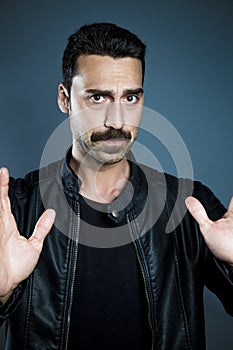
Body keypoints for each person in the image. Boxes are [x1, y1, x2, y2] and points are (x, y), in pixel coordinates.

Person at [0, 22, 232, 350]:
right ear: (64, 99)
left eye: (131, 97)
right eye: (98, 97)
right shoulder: (16, 209)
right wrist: (2, 293)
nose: (117, 121)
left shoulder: (188, 206)